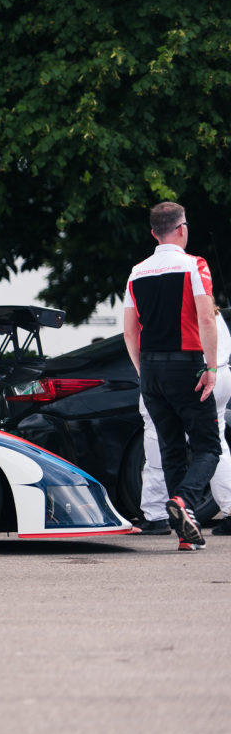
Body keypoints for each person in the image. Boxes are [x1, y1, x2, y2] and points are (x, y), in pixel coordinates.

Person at [124, 201, 220, 551]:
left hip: (150, 368)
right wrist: (211, 368)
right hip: (187, 364)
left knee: (171, 450)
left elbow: (129, 332)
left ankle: (185, 535)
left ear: (153, 232)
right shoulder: (195, 264)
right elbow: (207, 320)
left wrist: (142, 371)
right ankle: (184, 501)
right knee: (208, 446)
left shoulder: (137, 271)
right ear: (182, 228)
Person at [136, 299, 231, 535]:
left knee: (160, 441)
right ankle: (230, 509)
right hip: (220, 375)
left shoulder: (168, 314)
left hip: (184, 375)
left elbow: (137, 340)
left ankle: (158, 514)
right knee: (215, 445)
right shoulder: (215, 315)